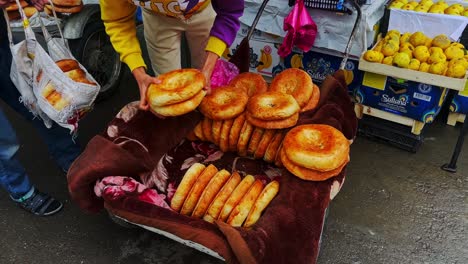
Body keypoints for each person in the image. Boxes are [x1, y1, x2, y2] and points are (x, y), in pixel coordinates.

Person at [0, 0, 81, 216]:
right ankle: (21, 191)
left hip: (3, 38)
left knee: (42, 102)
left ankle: (72, 160)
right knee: (3, 140)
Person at [100, 0, 244, 110]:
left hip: (204, 10)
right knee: (167, 93)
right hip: (157, 16)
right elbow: (117, 20)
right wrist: (139, 73)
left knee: (210, 84)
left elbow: (229, 13)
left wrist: (207, 68)